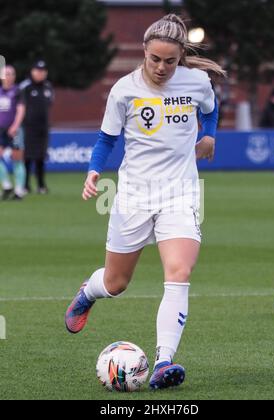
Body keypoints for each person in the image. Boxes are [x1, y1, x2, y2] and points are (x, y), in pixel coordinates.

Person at [65, 14, 224, 390]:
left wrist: (210, 135)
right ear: (144, 52)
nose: (162, 67)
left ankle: (163, 362)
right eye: (155, 59)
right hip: (134, 196)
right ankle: (88, 292)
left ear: (181, 55)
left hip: (180, 194)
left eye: (170, 61)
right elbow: (106, 139)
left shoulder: (197, 81)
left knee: (179, 273)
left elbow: (210, 109)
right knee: (117, 282)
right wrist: (93, 171)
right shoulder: (124, 89)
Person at [20, 60, 54, 194]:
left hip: (43, 128)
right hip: (27, 127)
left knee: (41, 157)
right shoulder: (25, 87)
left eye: (43, 71)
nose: (41, 73)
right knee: (27, 157)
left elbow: (50, 103)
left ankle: (41, 185)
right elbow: (20, 106)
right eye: (38, 71)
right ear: (32, 71)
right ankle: (25, 184)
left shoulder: (48, 87)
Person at [0, 65, 26, 200]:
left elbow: (21, 109)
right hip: (1, 129)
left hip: (15, 130)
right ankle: (6, 185)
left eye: (11, 74)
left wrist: (15, 125)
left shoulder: (17, 91)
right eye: (6, 74)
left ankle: (19, 190)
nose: (9, 77)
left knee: (17, 159)